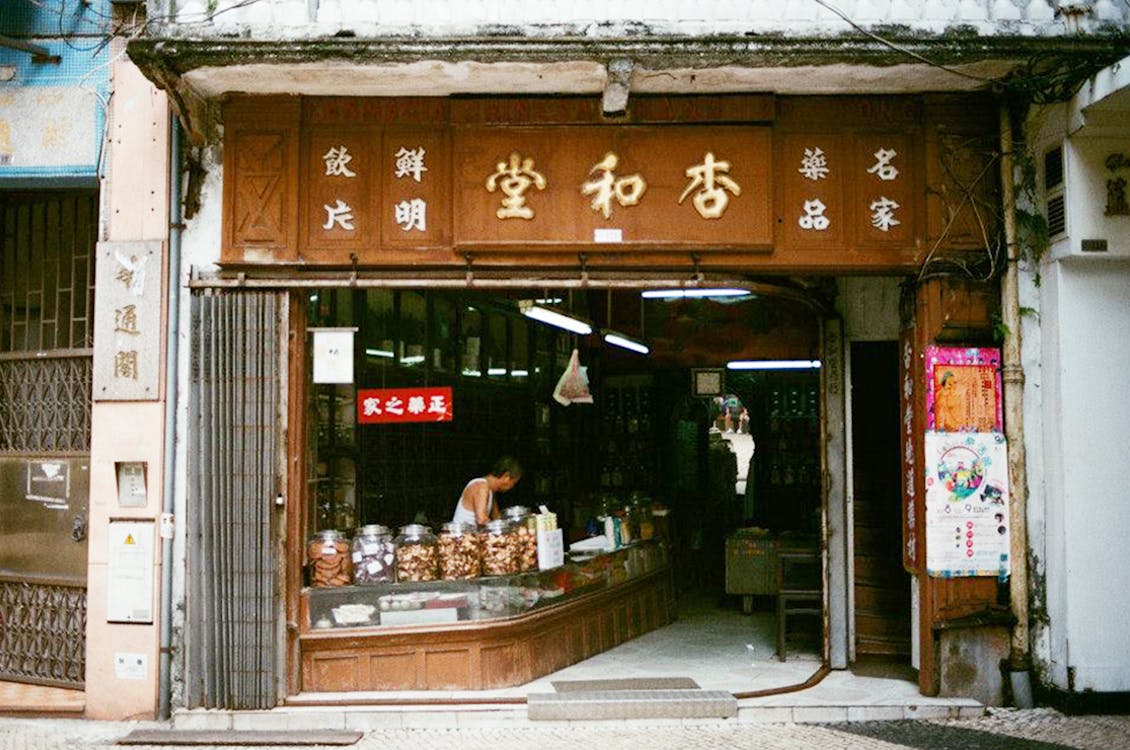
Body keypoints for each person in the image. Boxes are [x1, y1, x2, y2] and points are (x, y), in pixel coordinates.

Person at [452, 456, 522, 526]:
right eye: (514, 483)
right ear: (506, 476)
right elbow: (481, 520)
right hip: (464, 534)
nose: (512, 486)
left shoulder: (491, 490)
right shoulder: (481, 486)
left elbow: (496, 518)